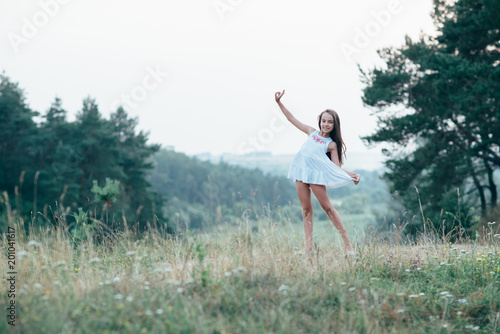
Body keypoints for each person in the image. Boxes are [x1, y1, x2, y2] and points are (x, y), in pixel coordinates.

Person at [275, 89, 360, 256]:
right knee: (306, 209)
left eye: (330, 122)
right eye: (323, 121)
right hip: (301, 173)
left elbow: (336, 168)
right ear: (319, 122)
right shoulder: (311, 132)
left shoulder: (331, 144)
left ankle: (348, 245)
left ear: (334, 125)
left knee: (328, 208)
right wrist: (279, 103)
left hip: (315, 176)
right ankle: (308, 248)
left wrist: (353, 175)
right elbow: (291, 119)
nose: (326, 124)